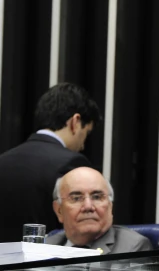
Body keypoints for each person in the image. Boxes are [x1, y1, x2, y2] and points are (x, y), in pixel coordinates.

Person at [0, 83, 101, 241]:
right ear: (75, 122)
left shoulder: (3, 160)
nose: (82, 145)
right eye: (86, 133)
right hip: (48, 262)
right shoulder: (71, 162)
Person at [46, 167, 153, 253]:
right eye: (76, 198)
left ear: (110, 206)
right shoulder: (45, 246)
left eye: (97, 197)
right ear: (59, 210)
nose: (88, 207)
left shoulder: (132, 248)